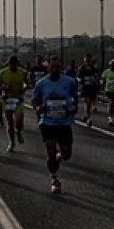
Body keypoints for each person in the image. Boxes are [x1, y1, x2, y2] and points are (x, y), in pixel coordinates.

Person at [31, 56, 79, 194]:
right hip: (48, 122)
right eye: (53, 67)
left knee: (66, 155)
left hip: (64, 123)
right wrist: (38, 107)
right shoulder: (41, 83)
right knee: (50, 151)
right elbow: (34, 99)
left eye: (58, 67)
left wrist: (74, 107)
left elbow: (75, 96)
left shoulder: (69, 82)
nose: (55, 69)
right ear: (48, 68)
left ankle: (59, 156)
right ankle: (54, 179)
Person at [0, 55, 30, 152]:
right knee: (10, 122)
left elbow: (27, 84)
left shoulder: (22, 72)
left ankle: (18, 130)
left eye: (14, 65)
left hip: (18, 99)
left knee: (19, 121)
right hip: (7, 99)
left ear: (17, 64)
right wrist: (4, 88)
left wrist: (23, 89)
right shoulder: (3, 73)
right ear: (8, 64)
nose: (13, 67)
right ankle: (11, 142)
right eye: (11, 65)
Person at [76, 54, 101, 127]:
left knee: (89, 103)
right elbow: (78, 77)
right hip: (85, 87)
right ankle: (88, 119)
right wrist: (79, 80)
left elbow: (98, 76)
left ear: (91, 60)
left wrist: (97, 80)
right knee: (87, 101)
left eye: (89, 60)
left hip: (92, 87)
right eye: (86, 60)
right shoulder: (82, 68)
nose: (87, 61)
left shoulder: (94, 68)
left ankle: (85, 115)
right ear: (84, 60)